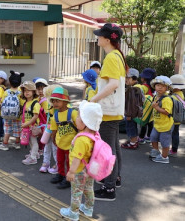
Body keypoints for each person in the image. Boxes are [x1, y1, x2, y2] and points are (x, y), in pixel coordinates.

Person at [90, 23, 127, 201]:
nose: (97, 38)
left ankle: (109, 187)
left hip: (108, 111)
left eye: (99, 35)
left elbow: (113, 84)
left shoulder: (111, 57)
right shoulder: (117, 55)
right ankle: (115, 178)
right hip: (114, 109)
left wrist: (93, 99)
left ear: (107, 39)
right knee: (114, 147)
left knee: (108, 149)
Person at [60, 100, 103, 220]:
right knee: (89, 189)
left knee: (76, 192)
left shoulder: (81, 140)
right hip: (90, 169)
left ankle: (73, 213)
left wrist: (71, 172)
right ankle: (88, 208)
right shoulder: (94, 135)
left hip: (78, 171)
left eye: (79, 116)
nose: (76, 118)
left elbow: (77, 158)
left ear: (85, 122)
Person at [50, 87, 78, 189]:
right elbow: (54, 129)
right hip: (60, 143)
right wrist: (53, 139)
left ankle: (68, 178)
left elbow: (79, 127)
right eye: (53, 101)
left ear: (66, 102)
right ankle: (61, 174)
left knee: (69, 162)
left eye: (58, 101)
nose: (55, 103)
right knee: (60, 160)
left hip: (71, 144)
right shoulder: (55, 115)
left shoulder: (73, 113)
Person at [0, 71, 24, 150]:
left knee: (7, 129)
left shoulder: (6, 92)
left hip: (7, 115)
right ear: (20, 82)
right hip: (17, 116)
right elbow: (22, 104)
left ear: (9, 81)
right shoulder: (20, 93)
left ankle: (5, 144)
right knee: (17, 129)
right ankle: (17, 144)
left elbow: (2, 102)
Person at [149, 76, 173, 164]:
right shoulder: (156, 97)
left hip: (166, 126)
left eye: (162, 86)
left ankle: (164, 157)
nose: (159, 87)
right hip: (157, 124)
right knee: (153, 137)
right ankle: (156, 151)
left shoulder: (167, 99)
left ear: (166, 88)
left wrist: (156, 107)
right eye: (158, 85)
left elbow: (167, 112)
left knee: (164, 142)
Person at [39, 84, 61, 174]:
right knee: (47, 146)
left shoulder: (58, 108)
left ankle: (57, 164)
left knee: (55, 148)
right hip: (48, 129)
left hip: (56, 131)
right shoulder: (50, 105)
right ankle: (45, 163)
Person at [20, 81, 41, 165]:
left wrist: (27, 124)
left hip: (33, 126)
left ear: (33, 92)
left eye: (29, 90)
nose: (27, 92)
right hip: (27, 126)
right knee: (30, 141)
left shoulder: (35, 103)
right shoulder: (26, 102)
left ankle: (33, 158)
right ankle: (34, 154)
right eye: (25, 90)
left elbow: (35, 116)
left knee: (34, 142)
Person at [121, 68, 142, 149]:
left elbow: (131, 104)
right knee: (134, 127)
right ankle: (134, 140)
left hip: (130, 113)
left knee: (131, 128)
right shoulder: (138, 87)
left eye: (128, 78)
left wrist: (128, 114)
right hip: (135, 113)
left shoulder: (132, 89)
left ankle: (133, 143)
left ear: (134, 79)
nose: (126, 79)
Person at [136, 68, 156, 144]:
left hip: (146, 107)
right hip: (152, 106)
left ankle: (141, 137)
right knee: (150, 122)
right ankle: (148, 136)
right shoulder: (152, 86)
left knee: (143, 123)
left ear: (144, 78)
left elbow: (139, 92)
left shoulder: (144, 86)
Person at [169, 74, 185, 157]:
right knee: (176, 133)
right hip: (178, 118)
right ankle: (174, 149)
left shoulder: (173, 96)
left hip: (173, 118)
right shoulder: (180, 94)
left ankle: (174, 149)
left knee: (174, 134)